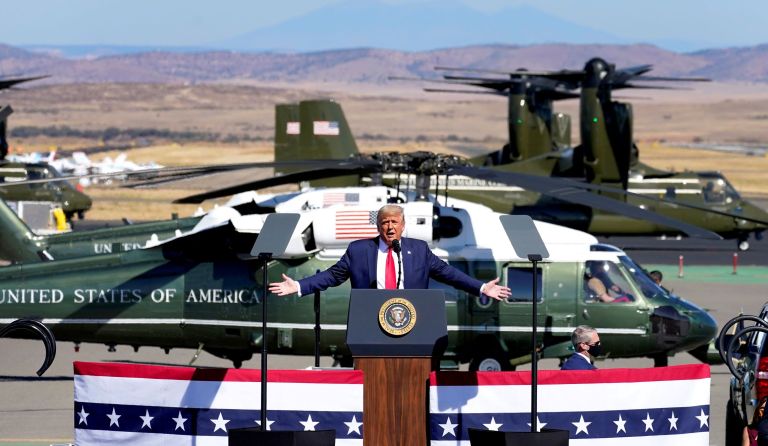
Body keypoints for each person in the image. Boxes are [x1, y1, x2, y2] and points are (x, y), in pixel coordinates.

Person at [269, 204, 512, 300]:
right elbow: (332, 276)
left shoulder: (419, 250)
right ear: (378, 226)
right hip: (370, 324)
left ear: (403, 226)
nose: (390, 227)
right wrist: (298, 285)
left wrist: (481, 287)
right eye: (385, 222)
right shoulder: (359, 250)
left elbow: (449, 274)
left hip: (412, 323)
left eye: (394, 222)